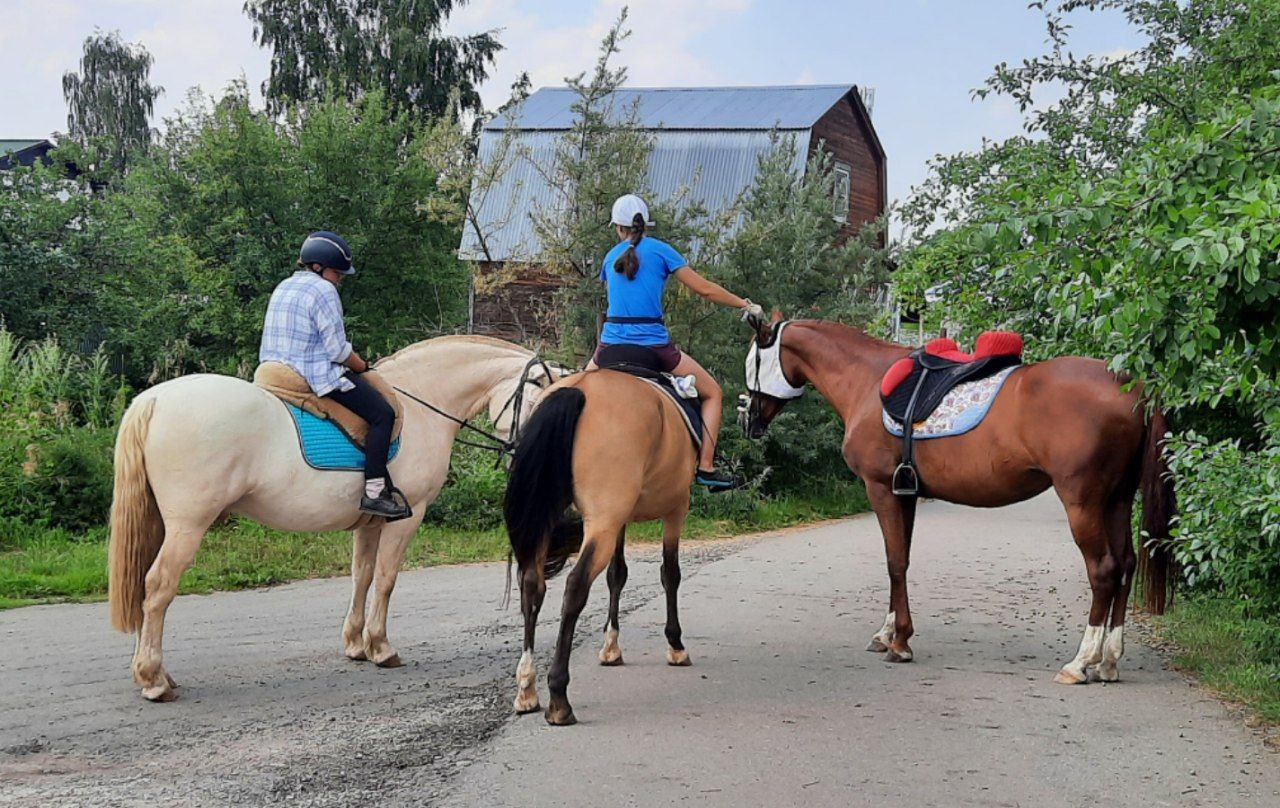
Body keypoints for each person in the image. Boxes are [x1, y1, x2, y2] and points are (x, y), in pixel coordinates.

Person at [589, 194, 764, 490]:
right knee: (713, 393)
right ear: (645, 225)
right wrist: (744, 305)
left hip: (609, 347)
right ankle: (707, 468)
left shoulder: (610, 257)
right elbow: (705, 290)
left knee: (568, 389)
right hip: (654, 348)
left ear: (618, 228)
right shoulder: (662, 251)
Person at [259, 231, 411, 520]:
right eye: (337, 272)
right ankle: (375, 492)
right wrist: (363, 366)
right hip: (312, 374)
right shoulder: (324, 291)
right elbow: (337, 351)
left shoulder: (284, 285)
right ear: (319, 267)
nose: (339, 278)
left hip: (274, 370)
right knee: (383, 414)